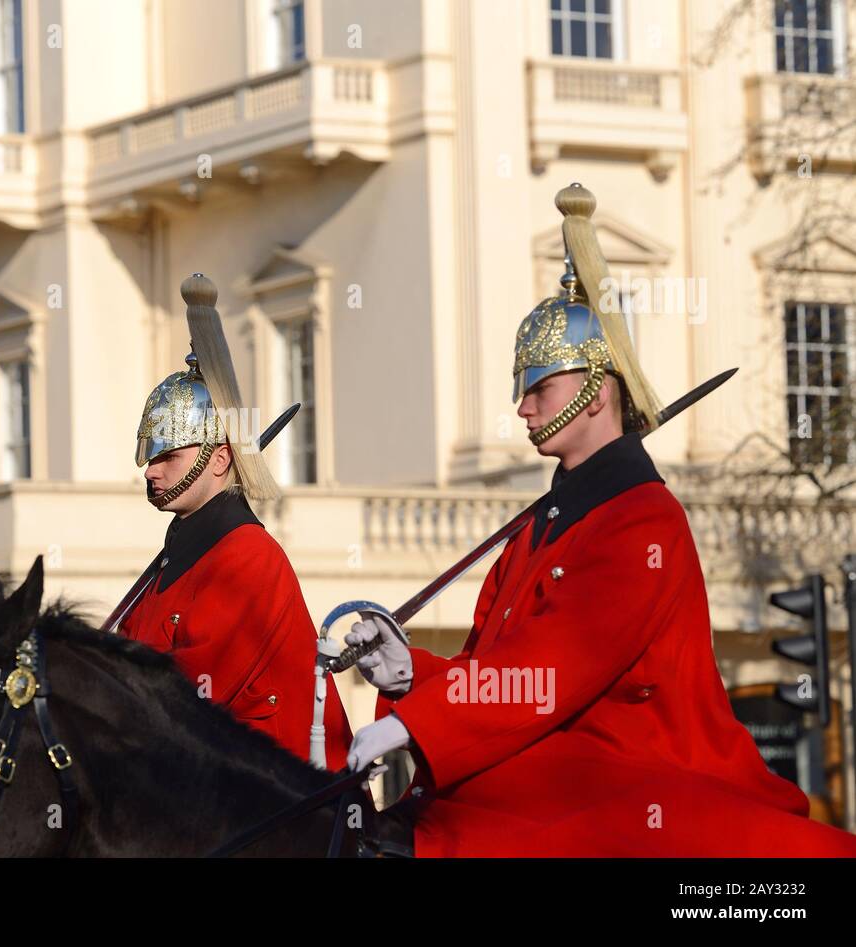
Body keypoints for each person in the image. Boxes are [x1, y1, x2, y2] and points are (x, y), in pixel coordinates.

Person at [343, 184, 856, 856]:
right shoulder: (536, 528)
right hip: (558, 775)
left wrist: (420, 722)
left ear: (596, 390)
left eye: (539, 388)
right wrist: (415, 674)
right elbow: (495, 671)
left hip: (632, 788)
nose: (523, 409)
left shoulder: (642, 522)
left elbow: (551, 666)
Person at [109, 274, 352, 769]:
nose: (151, 470)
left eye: (169, 456)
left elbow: (190, 694)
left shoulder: (246, 556)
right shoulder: (171, 563)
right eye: (151, 458)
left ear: (219, 460)